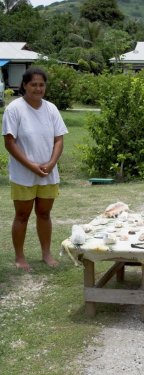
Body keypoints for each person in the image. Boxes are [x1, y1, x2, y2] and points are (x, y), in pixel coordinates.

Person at [2, 67, 68, 272]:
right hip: (23, 174)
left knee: (44, 213)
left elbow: (59, 139)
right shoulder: (15, 109)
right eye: (33, 84)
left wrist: (51, 163)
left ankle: (46, 253)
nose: (38, 88)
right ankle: (20, 257)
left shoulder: (51, 109)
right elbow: (9, 142)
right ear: (24, 85)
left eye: (41, 85)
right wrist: (31, 166)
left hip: (48, 172)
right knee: (22, 215)